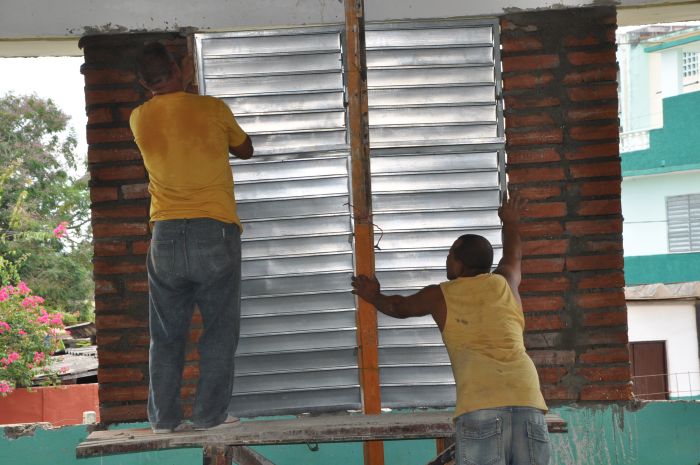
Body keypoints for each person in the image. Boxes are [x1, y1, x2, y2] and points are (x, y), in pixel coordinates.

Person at [351, 194, 551, 465]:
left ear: (459, 263)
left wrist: (373, 296)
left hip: (481, 401)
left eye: (450, 255)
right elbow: (513, 253)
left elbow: (400, 308)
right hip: (528, 397)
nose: (447, 260)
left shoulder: (441, 295)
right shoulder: (506, 283)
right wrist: (511, 221)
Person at [130, 42, 254, 433]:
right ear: (178, 67)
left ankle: (164, 419)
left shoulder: (138, 118)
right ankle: (209, 416)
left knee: (166, 335)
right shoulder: (211, 108)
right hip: (212, 230)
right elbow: (245, 149)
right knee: (218, 331)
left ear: (143, 82)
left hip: (164, 234)